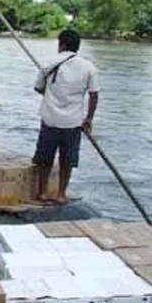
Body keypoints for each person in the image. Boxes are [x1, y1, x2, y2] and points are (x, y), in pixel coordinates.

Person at [33, 29, 98, 204]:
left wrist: (53, 94)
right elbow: (93, 95)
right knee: (67, 159)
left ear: (61, 44)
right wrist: (89, 119)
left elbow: (38, 88)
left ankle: (42, 193)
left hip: (50, 119)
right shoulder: (88, 67)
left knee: (44, 158)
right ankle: (61, 194)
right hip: (73, 122)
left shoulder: (49, 64)